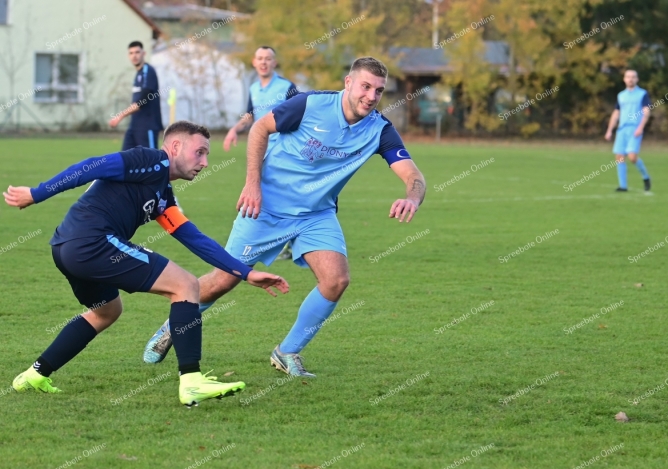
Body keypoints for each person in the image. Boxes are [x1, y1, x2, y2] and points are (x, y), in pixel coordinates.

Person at [142, 57, 426, 378]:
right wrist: (252, 184)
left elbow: (413, 175)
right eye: (365, 86)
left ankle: (287, 351)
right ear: (348, 83)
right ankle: (172, 326)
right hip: (265, 207)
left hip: (316, 214)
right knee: (224, 279)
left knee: (336, 280)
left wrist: (411, 197)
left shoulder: (379, 130)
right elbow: (260, 128)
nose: (371, 96)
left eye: (378, 90)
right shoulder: (309, 105)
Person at [4, 121, 289, 407]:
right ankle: (191, 381)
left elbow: (194, 239)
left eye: (207, 155)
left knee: (106, 312)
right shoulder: (149, 161)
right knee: (186, 285)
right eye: (200, 152)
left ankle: (34, 374)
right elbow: (91, 166)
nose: (204, 162)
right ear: (175, 146)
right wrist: (36, 193)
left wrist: (246, 272)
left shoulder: (163, 196)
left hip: (66, 247)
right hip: (91, 242)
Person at [223, 45, 298, 260]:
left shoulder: (287, 87)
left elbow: (301, 114)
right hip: (260, 152)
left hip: (284, 152)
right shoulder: (254, 89)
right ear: (254, 62)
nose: (264, 62)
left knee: (283, 195)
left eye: (268, 58)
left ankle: (285, 243)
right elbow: (250, 116)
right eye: (260, 58)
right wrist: (234, 129)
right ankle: (270, 242)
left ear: (275, 63)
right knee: (264, 195)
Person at [109, 41, 164, 150]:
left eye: (137, 52)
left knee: (152, 162)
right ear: (128, 55)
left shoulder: (148, 71)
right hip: (134, 126)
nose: (134, 56)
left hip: (147, 126)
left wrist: (120, 116)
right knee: (126, 160)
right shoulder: (138, 74)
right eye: (131, 53)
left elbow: (142, 101)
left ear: (144, 53)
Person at [604, 69, 652, 192]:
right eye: (628, 77)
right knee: (619, 157)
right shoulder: (621, 95)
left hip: (634, 128)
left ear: (637, 79)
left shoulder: (642, 94)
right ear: (624, 79)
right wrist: (609, 130)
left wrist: (641, 127)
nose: (630, 79)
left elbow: (646, 111)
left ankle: (646, 177)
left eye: (633, 77)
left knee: (632, 157)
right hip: (622, 129)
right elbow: (616, 113)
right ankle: (623, 186)